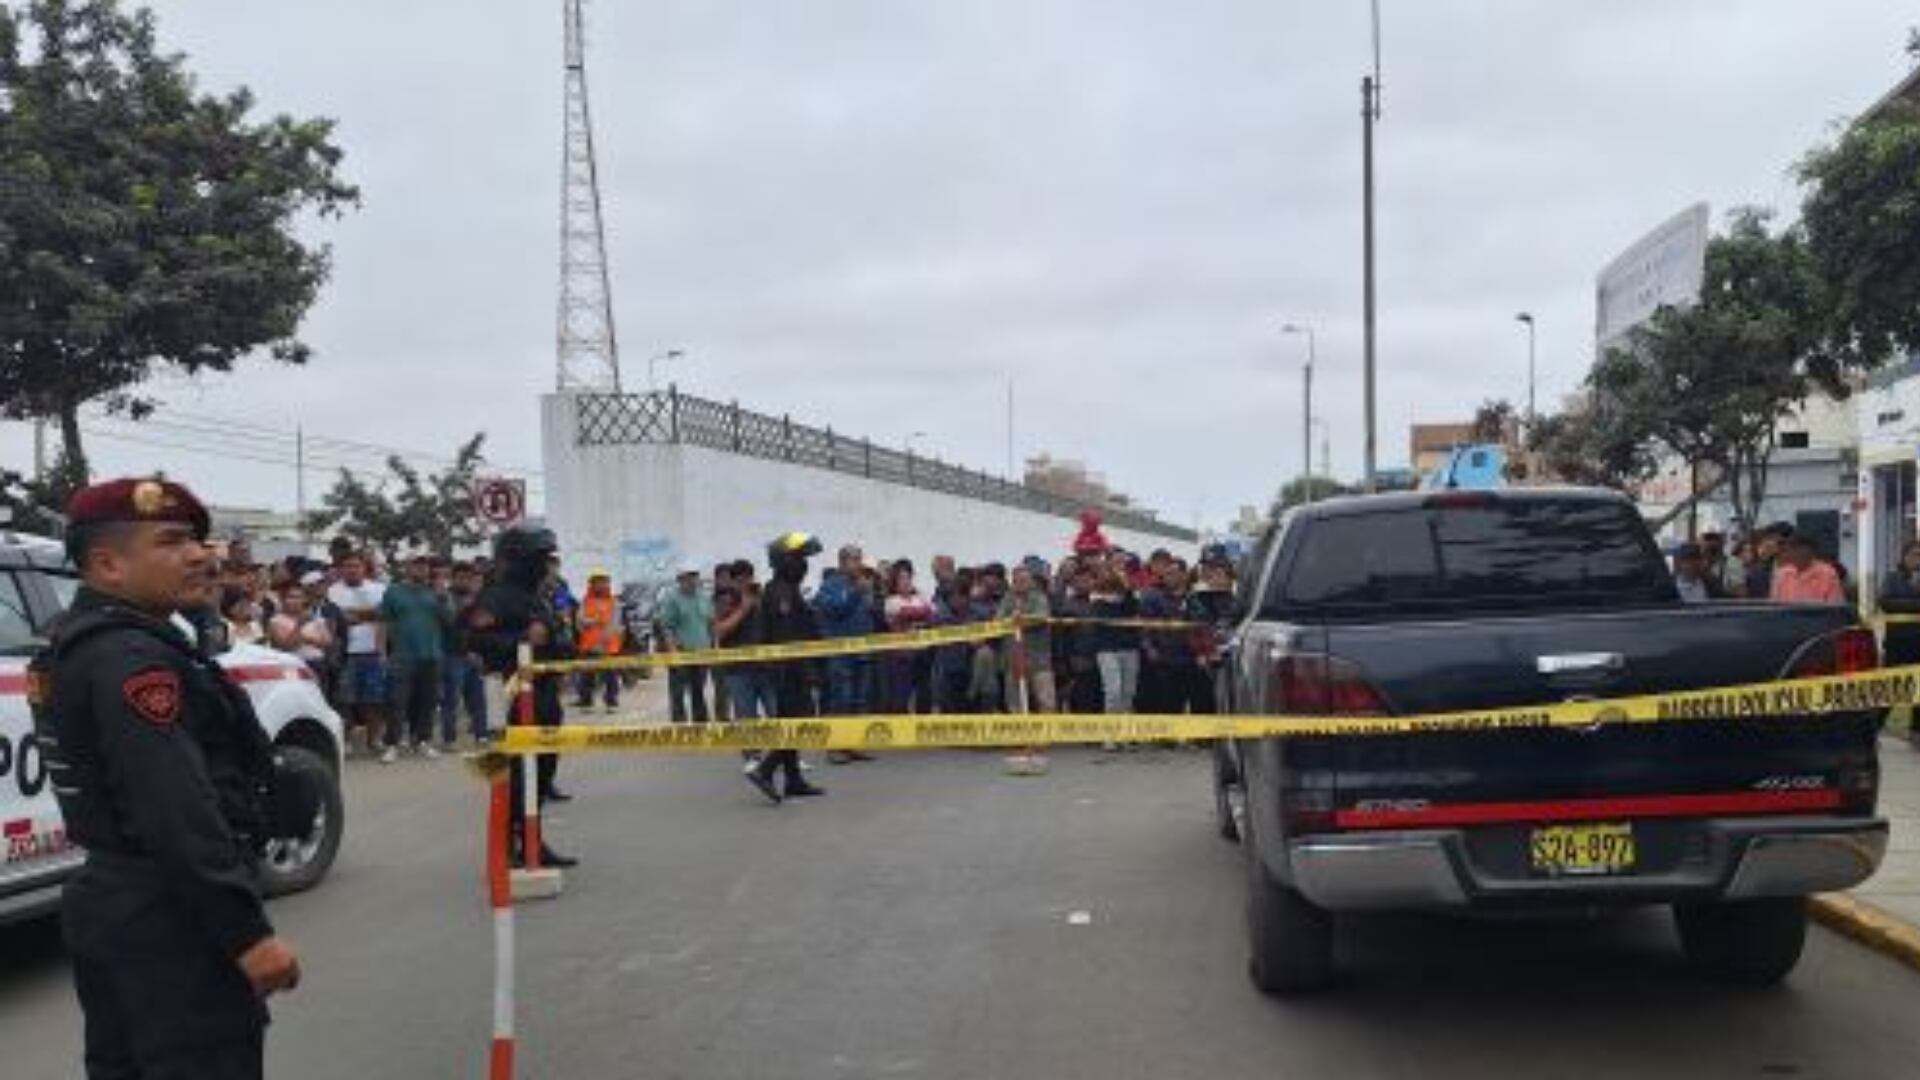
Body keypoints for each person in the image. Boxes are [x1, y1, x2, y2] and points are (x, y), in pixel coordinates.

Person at [30, 478, 302, 1078]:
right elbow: (174, 807)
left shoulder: (83, 642)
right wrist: (245, 934)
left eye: (198, 541)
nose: (200, 555)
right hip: (172, 918)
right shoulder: (133, 660)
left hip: (117, 899)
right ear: (108, 564)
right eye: (173, 541)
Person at [463, 526, 578, 867]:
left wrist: (561, 647)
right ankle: (513, 844)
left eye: (547, 559)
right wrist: (522, 641)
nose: (545, 566)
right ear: (518, 560)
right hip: (511, 698)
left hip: (544, 693)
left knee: (542, 771)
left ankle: (531, 839)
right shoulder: (496, 597)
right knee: (517, 774)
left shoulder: (539, 595)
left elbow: (555, 637)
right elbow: (473, 640)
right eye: (538, 559)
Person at [745, 533, 829, 804]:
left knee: (792, 723)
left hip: (789, 671)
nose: (804, 564)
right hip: (789, 673)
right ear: (784, 561)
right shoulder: (781, 592)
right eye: (799, 558)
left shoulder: (786, 589)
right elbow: (789, 641)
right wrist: (809, 672)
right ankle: (766, 769)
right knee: (798, 723)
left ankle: (793, 780)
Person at [378, 555, 447, 762]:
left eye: (424, 565)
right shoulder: (393, 592)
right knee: (397, 701)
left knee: (427, 701)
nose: (421, 569)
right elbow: (383, 623)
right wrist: (381, 652)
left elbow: (449, 621)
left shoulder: (436, 592)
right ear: (407, 568)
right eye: (416, 565)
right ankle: (392, 744)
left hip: (432, 654)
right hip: (401, 655)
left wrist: (443, 598)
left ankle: (423, 741)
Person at [816, 544, 880, 764]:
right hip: (840, 653)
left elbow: (871, 614)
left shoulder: (864, 584)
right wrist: (856, 593)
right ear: (842, 562)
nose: (859, 564)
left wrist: (872, 601)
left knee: (860, 700)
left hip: (862, 650)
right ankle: (835, 747)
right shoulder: (831, 585)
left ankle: (854, 744)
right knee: (840, 699)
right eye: (854, 560)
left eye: (860, 559)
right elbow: (835, 610)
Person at [327, 552, 388, 755]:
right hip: (345, 654)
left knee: (375, 700)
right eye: (347, 566)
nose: (352, 569)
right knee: (344, 701)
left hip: (372, 651)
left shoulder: (379, 589)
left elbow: (383, 616)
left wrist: (352, 615)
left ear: (364, 568)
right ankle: (346, 742)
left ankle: (375, 740)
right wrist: (369, 614)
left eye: (356, 565)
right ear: (341, 569)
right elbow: (335, 620)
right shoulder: (332, 591)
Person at [438, 561, 490, 748]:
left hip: (475, 655)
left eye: (469, 578)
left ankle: (482, 735)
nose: (465, 581)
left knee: (478, 699)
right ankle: (449, 739)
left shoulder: (478, 598)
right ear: (453, 578)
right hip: (451, 655)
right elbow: (450, 623)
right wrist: (467, 607)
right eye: (461, 578)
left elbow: (484, 626)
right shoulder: (445, 597)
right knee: (451, 700)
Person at [656, 561, 715, 723]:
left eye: (695, 576)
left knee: (699, 689)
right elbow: (666, 627)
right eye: (689, 577)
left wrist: (713, 647)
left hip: (701, 652)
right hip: (681, 652)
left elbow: (710, 622)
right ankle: (679, 723)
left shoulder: (704, 598)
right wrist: (673, 650)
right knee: (678, 691)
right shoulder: (672, 599)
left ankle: (700, 722)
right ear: (680, 579)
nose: (693, 580)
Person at [880, 560, 937, 714]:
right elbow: (903, 613)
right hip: (902, 656)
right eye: (901, 578)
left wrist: (918, 612)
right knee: (901, 696)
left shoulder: (920, 597)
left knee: (924, 693)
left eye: (908, 578)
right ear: (895, 581)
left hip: (923, 652)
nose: (906, 582)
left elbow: (933, 614)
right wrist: (920, 612)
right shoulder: (890, 601)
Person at [573, 569, 623, 714]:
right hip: (589, 647)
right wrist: (593, 621)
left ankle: (611, 702)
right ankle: (586, 702)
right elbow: (580, 620)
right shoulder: (585, 601)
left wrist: (605, 638)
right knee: (587, 676)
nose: (601, 585)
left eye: (604, 581)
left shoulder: (614, 602)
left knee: (611, 677)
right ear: (592, 584)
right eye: (598, 582)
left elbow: (615, 623)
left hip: (609, 647)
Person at [1770, 530, 1846, 605]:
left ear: (1811, 551)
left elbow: (1835, 610)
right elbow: (1774, 608)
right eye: (1792, 549)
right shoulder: (1782, 574)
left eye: (1799, 548)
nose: (1795, 553)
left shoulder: (1828, 574)